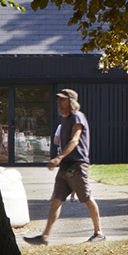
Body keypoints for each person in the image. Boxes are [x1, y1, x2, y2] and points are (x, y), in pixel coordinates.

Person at [24, 89, 105, 245]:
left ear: (71, 101)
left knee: (86, 198)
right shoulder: (65, 119)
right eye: (58, 100)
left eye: (62, 99)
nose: (58, 102)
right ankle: (44, 237)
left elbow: (75, 140)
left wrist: (58, 157)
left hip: (77, 164)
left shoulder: (77, 117)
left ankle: (99, 233)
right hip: (66, 165)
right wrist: (61, 160)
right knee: (55, 200)